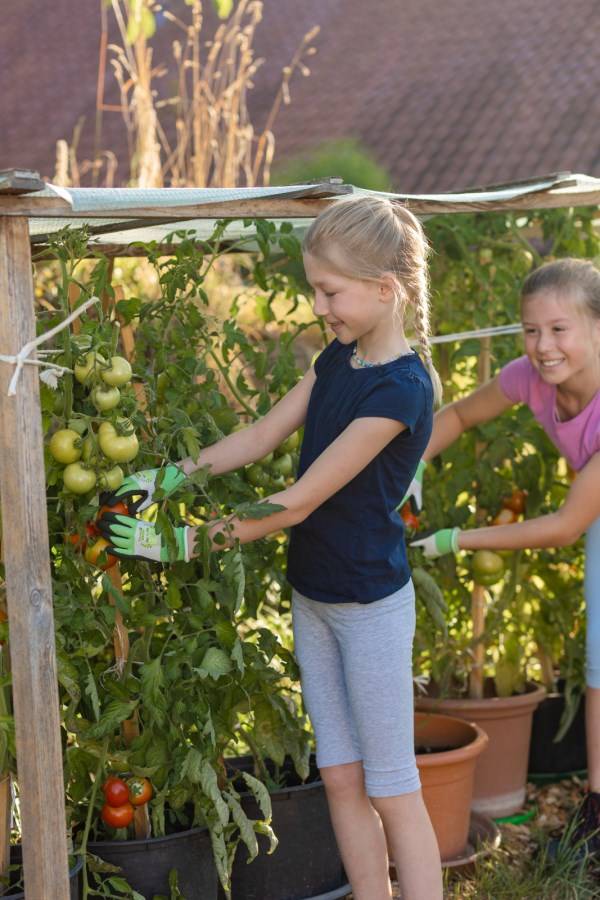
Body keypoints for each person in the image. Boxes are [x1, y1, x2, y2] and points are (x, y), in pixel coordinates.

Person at [98, 195, 444, 900]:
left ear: (387, 290)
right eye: (315, 290)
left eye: (330, 292)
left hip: (369, 607)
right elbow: (261, 436)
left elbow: (301, 499)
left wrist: (186, 541)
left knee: (391, 784)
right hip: (313, 595)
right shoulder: (338, 360)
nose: (319, 306)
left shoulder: (402, 391)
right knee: (340, 776)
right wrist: (168, 477)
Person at [409, 257, 600, 855]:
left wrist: (455, 539)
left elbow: (567, 525)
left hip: (586, 517)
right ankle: (596, 812)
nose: (543, 346)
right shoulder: (530, 377)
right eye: (531, 329)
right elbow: (462, 414)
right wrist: (410, 463)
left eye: (560, 329)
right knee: (598, 669)